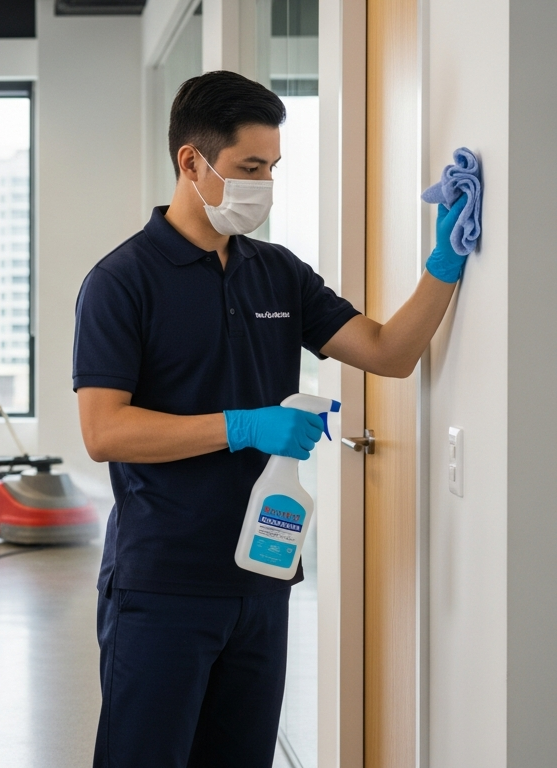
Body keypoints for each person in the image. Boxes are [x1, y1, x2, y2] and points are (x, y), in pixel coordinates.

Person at [74, 71, 468, 767]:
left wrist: (446, 261)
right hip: (164, 583)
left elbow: (389, 352)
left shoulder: (277, 273)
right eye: (249, 168)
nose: (265, 185)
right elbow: (105, 431)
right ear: (191, 162)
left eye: (273, 168)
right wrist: (243, 426)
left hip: (264, 573)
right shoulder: (122, 281)